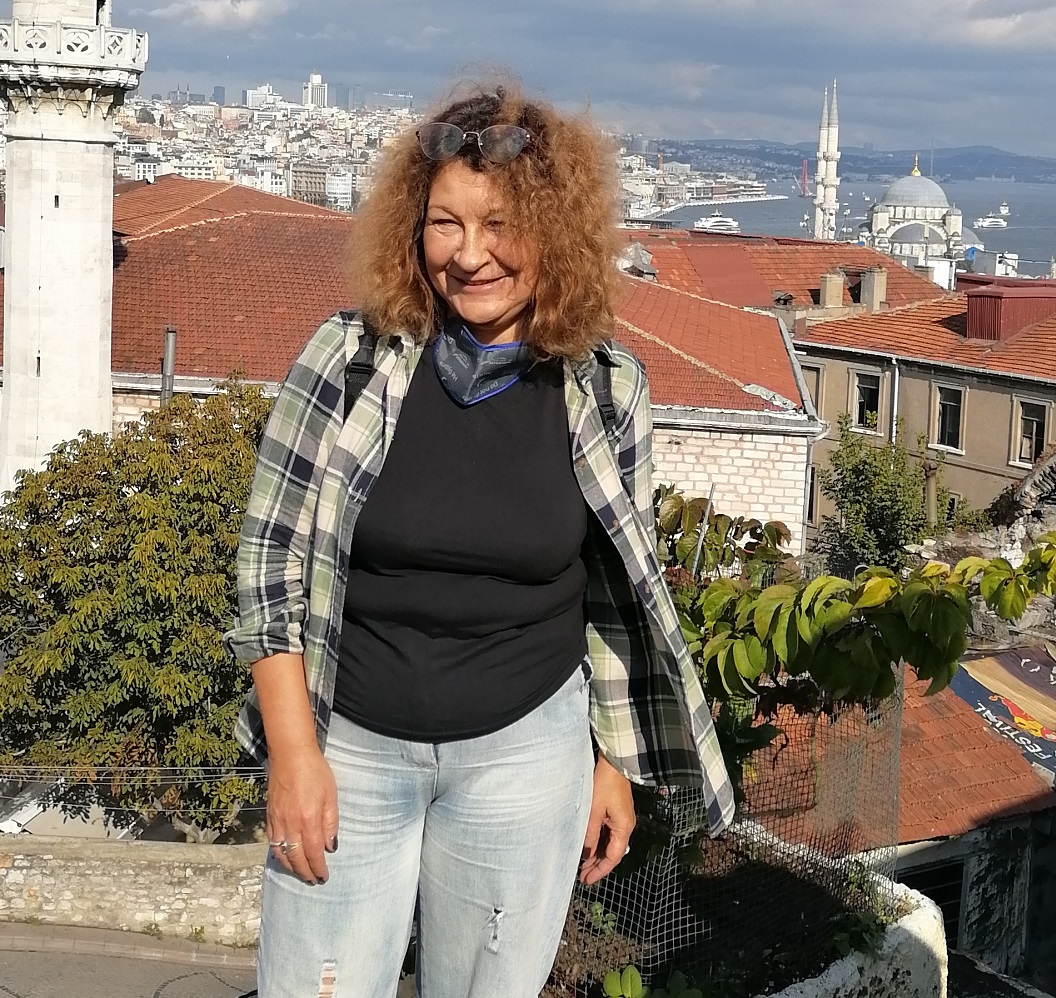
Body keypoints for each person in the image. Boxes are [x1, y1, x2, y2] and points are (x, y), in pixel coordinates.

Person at [227, 81, 735, 998]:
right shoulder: (347, 360)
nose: (469, 256)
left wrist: (609, 765)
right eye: (444, 224)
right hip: (351, 742)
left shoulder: (606, 388)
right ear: (410, 231)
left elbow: (614, 593)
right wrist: (294, 757)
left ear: (555, 231)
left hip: (524, 754)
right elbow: (268, 565)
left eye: (499, 224)